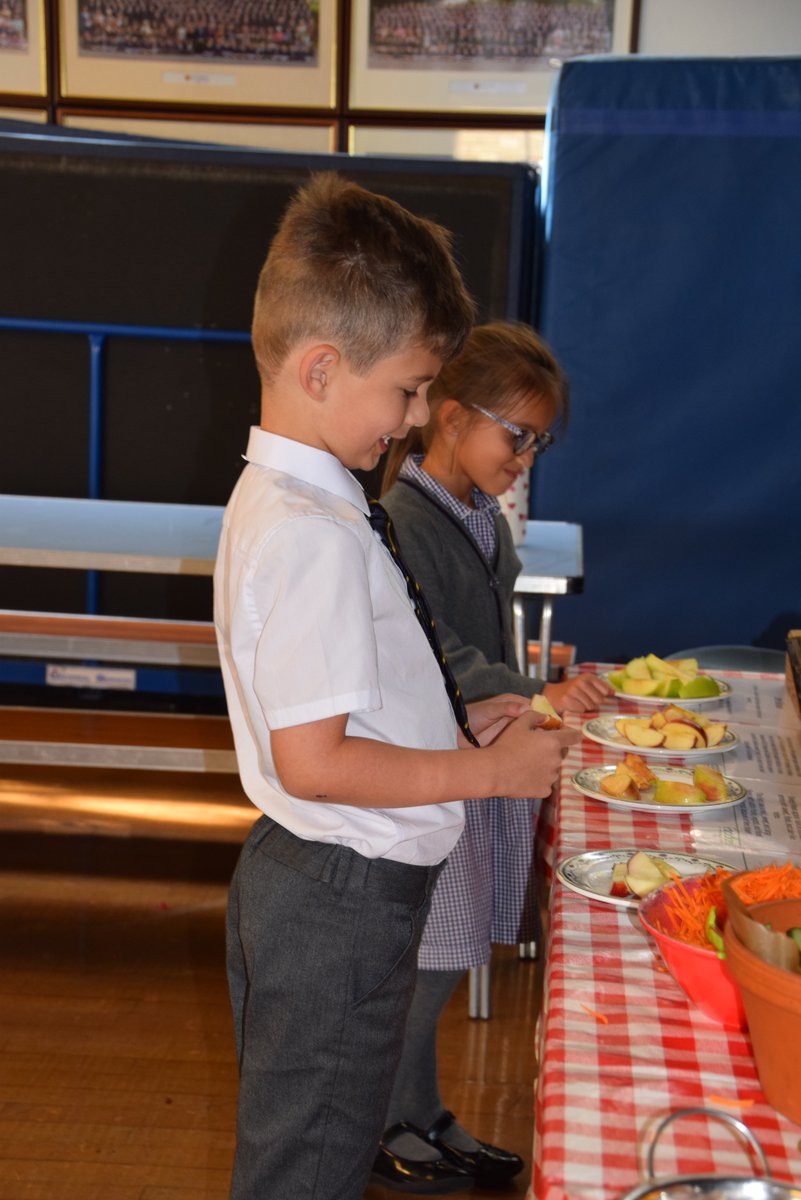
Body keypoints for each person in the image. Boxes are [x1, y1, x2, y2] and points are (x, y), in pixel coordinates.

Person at [213, 175, 578, 1200]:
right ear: (322, 368)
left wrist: (462, 719)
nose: (418, 415)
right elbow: (315, 762)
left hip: (325, 885)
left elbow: (353, 689)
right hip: (338, 896)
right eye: (410, 390)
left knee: (312, 1151)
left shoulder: (302, 496)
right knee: (307, 1170)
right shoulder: (313, 532)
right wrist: (489, 774)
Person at [377, 321, 611, 1190]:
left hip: (476, 761)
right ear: (450, 417)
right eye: (517, 436)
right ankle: (389, 1125)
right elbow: (433, 649)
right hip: (435, 772)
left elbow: (480, 641)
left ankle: (422, 1112)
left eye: (537, 441)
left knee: (443, 961)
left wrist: (530, 691)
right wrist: (530, 691)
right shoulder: (405, 519)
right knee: (427, 966)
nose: (525, 458)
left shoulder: (474, 512)